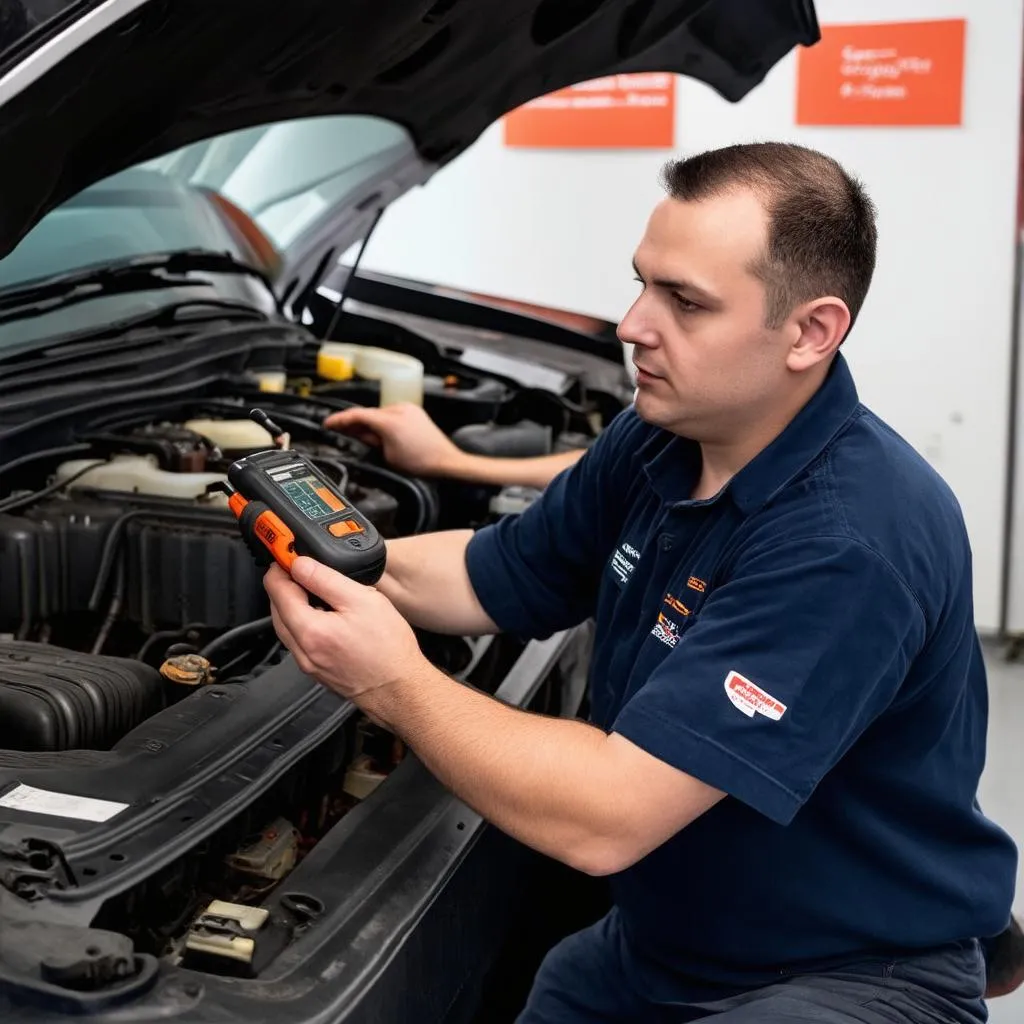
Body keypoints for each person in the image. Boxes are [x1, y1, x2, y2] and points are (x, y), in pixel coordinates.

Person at [265, 142, 1020, 1023]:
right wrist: (338, 555)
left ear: (811, 332)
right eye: (644, 282)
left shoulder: (847, 540)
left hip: (846, 979)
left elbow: (607, 816)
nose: (632, 324)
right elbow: (488, 575)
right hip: (662, 947)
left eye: (686, 302)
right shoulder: (664, 436)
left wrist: (392, 680)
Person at [323, 401, 586, 491]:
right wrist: (448, 460)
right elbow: (597, 467)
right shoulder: (624, 434)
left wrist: (447, 460)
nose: (624, 328)